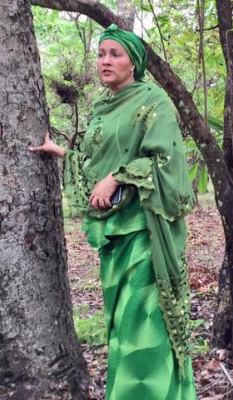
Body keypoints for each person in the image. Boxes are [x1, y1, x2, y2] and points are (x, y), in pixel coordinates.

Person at [30, 24, 197, 400]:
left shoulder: (155, 103)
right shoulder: (103, 109)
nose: (105, 61)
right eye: (101, 53)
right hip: (113, 234)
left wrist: (118, 178)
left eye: (115, 54)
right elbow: (96, 164)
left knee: (144, 325)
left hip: (145, 232)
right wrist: (62, 154)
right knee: (121, 324)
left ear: (134, 63)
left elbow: (167, 162)